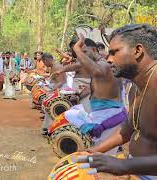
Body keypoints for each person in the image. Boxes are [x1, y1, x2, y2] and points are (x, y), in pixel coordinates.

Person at [78, 24, 157, 178]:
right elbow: (127, 129)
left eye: (115, 52)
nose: (108, 60)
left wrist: (123, 165)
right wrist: (93, 151)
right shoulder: (136, 88)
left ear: (138, 50)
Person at [52, 36, 126, 151]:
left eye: (84, 52)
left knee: (101, 159)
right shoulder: (99, 63)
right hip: (105, 114)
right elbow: (80, 65)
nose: (81, 56)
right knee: (70, 115)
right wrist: (63, 70)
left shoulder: (103, 65)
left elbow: (95, 70)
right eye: (80, 53)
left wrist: (77, 49)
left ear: (94, 50)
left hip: (107, 117)